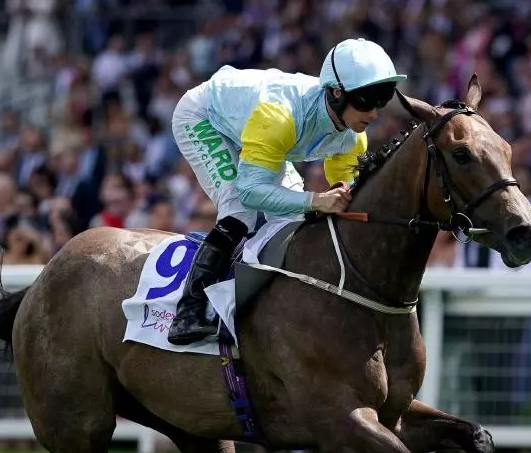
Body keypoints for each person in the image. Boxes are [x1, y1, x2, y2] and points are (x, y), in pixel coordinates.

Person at [165, 38, 406, 345]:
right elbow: (253, 191)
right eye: (365, 100)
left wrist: (335, 198)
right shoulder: (281, 117)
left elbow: (343, 193)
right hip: (205, 118)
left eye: (381, 100)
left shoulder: (353, 138)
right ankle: (188, 312)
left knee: (293, 216)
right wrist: (316, 200)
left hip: (257, 131)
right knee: (241, 210)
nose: (373, 113)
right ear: (335, 93)